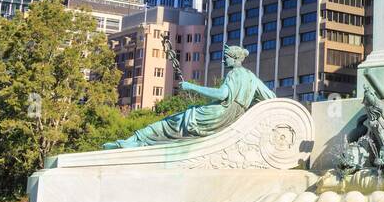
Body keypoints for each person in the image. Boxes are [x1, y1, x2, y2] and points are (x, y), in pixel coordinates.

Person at [103, 45, 275, 149]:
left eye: (225, 58)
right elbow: (271, 97)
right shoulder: (251, 77)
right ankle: (136, 141)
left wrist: (191, 86)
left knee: (170, 122)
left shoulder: (234, 74)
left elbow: (222, 94)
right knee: (174, 125)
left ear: (234, 58)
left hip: (215, 114)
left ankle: (134, 141)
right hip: (230, 118)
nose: (223, 62)